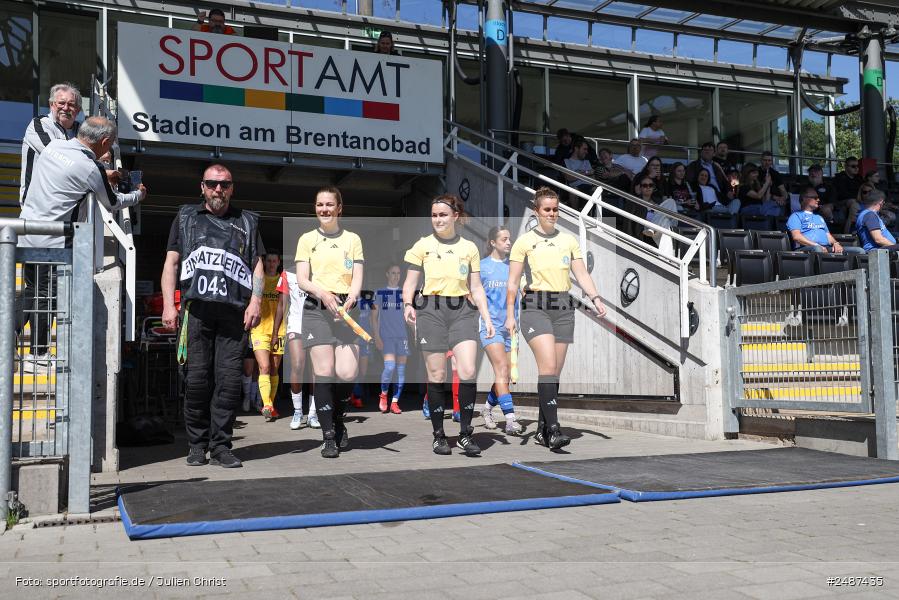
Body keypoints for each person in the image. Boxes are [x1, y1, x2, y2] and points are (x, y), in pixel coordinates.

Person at [19, 117, 145, 368]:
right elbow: (112, 202)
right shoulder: (90, 168)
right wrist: (137, 195)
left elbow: (70, 177)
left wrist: (101, 173)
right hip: (53, 241)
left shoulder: (55, 146)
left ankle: (20, 344)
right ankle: (38, 355)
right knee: (45, 297)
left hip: (26, 231)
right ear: (105, 142)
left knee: (32, 293)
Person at [161, 163, 263, 468]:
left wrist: (256, 300)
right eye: (212, 184)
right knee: (196, 381)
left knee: (229, 383)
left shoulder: (247, 221)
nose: (218, 189)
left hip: (234, 314)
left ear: (232, 188)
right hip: (197, 312)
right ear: (202, 187)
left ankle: (221, 447)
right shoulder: (185, 217)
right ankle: (196, 444)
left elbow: (257, 263)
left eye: (225, 185)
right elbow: (171, 263)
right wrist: (169, 304)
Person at [506, 187, 607, 450]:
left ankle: (541, 429)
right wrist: (509, 315)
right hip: (535, 305)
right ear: (537, 211)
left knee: (554, 373)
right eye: (547, 209)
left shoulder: (568, 240)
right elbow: (513, 282)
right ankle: (553, 428)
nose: (552, 213)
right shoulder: (524, 241)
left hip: (562, 305)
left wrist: (595, 297)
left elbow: (581, 274)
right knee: (548, 366)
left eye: (555, 209)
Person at [402, 194, 494, 457]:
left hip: (463, 310)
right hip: (431, 310)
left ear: (455, 216)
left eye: (443, 214)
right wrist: (408, 304)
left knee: (466, 370)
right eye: (434, 215)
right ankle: (439, 435)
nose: (438, 219)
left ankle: (465, 434)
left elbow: (476, 287)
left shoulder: (470, 248)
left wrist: (486, 317)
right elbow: (409, 283)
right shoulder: (422, 245)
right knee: (437, 375)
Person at [294, 186, 364, 458]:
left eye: (329, 204)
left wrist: (352, 298)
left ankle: (338, 418)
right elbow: (302, 279)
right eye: (319, 204)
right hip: (316, 307)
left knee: (347, 373)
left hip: (346, 309)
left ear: (339, 208)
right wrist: (323, 293)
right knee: (324, 372)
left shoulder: (353, 239)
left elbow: (357, 276)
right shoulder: (306, 239)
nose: (324, 209)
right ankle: (328, 437)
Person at [479, 226, 523, 435]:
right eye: (504, 239)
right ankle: (510, 420)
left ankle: (487, 409)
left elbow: (520, 291)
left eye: (509, 238)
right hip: (490, 328)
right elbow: (472, 294)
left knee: (504, 377)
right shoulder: (482, 267)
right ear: (492, 243)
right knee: (502, 370)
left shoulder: (514, 267)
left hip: (511, 328)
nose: (508, 242)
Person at [20, 83, 82, 206]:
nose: (65, 108)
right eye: (61, 103)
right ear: (51, 105)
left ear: (78, 110)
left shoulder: (83, 131)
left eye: (71, 104)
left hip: (69, 206)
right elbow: (56, 157)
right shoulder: (39, 125)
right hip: (37, 206)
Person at [272, 266, 317, 430]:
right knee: (298, 365)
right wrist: (275, 331)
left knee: (316, 370)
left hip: (317, 325)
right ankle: (298, 411)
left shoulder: (321, 269)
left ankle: (313, 413)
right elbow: (281, 304)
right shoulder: (287, 273)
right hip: (295, 326)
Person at [251, 250, 286, 422]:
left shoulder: (283, 280)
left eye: (274, 261)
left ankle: (271, 405)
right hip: (259, 329)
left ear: (279, 262)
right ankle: (267, 404)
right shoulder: (258, 279)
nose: (271, 264)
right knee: (263, 367)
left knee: (274, 368)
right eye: (269, 261)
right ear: (265, 262)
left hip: (279, 330)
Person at [371, 264, 408, 415]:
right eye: (393, 273)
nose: (396, 276)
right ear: (387, 274)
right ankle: (384, 394)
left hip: (402, 336)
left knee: (400, 371)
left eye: (398, 273)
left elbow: (410, 315)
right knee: (390, 367)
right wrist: (376, 336)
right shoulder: (379, 293)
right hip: (386, 336)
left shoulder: (405, 293)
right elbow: (373, 317)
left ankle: (394, 402)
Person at [787, 187, 863, 254]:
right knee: (818, 249)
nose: (818, 200)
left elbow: (828, 235)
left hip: (826, 248)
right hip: (807, 249)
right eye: (815, 197)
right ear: (804, 199)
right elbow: (796, 237)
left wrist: (836, 244)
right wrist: (816, 245)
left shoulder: (819, 217)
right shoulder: (795, 216)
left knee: (859, 251)